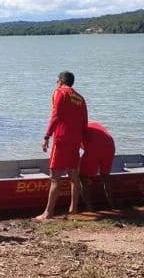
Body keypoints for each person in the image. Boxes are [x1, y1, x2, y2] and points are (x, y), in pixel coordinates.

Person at [35, 71, 88, 222]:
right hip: (75, 141)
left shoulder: (60, 92)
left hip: (62, 139)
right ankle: (74, 209)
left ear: (60, 81)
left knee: (55, 178)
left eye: (56, 81)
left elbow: (55, 116)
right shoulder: (81, 98)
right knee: (73, 176)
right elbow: (84, 123)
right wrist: (82, 142)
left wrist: (46, 136)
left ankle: (48, 213)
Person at [79, 121, 116, 210]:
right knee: (105, 175)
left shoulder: (76, 129)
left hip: (94, 146)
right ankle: (112, 204)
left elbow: (75, 150)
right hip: (110, 144)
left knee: (83, 177)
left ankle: (89, 207)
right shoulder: (93, 124)